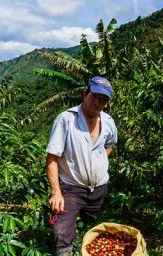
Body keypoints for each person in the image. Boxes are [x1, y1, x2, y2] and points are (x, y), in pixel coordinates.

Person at [45, 76, 118, 256]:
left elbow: (110, 145)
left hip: (99, 187)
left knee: (91, 223)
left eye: (103, 100)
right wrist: (56, 192)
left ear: (106, 103)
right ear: (85, 94)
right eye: (94, 96)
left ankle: (83, 246)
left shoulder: (108, 122)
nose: (97, 102)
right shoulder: (66, 120)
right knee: (61, 230)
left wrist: (98, 160)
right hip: (72, 188)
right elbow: (52, 158)